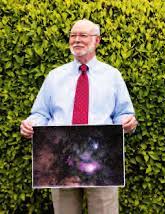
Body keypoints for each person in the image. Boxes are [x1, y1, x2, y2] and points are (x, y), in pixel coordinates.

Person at [20, 19, 138, 214]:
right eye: (73, 35)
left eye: (83, 35)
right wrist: (31, 124)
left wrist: (127, 122)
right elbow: (41, 113)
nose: (76, 40)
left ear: (97, 41)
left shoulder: (112, 76)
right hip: (61, 159)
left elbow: (124, 114)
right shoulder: (54, 76)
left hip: (102, 159)